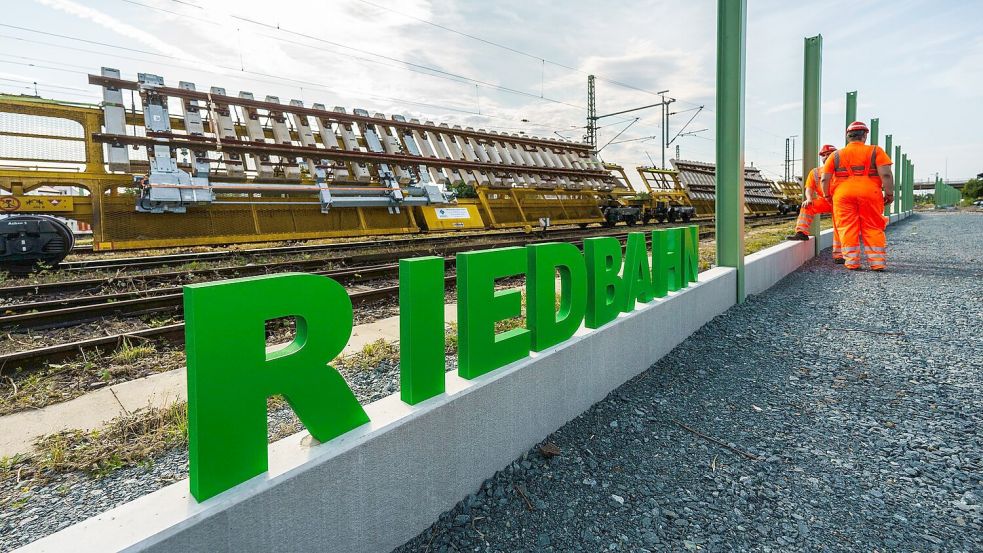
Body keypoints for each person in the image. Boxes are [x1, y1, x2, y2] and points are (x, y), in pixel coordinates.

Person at [821, 121, 894, 271]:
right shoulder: (876, 151)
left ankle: (852, 262)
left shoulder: (835, 155)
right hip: (870, 193)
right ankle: (877, 263)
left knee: (847, 227)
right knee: (873, 226)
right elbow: (886, 174)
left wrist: (827, 195)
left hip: (843, 195)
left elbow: (824, 178)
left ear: (848, 137)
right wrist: (889, 194)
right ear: (865, 136)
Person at [786, 144, 843, 262]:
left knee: (839, 227)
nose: (826, 157)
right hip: (825, 201)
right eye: (824, 155)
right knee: (807, 206)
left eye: (829, 154)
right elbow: (809, 188)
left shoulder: (843, 170)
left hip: (840, 203)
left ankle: (839, 256)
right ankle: (801, 232)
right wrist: (809, 198)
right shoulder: (815, 172)